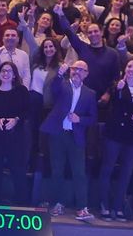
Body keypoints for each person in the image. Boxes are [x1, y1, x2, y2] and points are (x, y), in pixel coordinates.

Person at [41, 60, 99, 221]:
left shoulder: (90, 93)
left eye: (81, 70)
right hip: (58, 134)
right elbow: (53, 89)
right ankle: (58, 204)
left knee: (79, 173)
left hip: (76, 137)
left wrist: (79, 119)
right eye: (75, 69)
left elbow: (93, 118)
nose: (77, 72)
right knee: (57, 170)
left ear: (86, 74)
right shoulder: (62, 85)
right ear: (70, 71)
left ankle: (82, 208)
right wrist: (59, 74)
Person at [97, 57, 133, 222]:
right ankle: (104, 204)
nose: (131, 69)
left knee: (126, 172)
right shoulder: (117, 85)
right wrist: (117, 90)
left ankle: (118, 206)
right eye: (129, 66)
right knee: (108, 168)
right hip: (115, 133)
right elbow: (111, 103)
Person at [0, 61, 32, 204]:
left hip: (16, 137)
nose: (5, 73)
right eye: (3, 71)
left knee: (18, 169)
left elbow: (27, 111)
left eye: (9, 71)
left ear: (14, 75)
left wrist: (16, 120)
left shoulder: (22, 91)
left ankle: (22, 201)